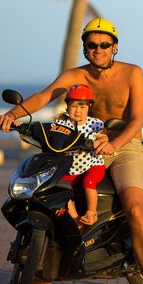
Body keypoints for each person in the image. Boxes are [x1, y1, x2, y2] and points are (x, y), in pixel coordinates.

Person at [0, 18, 143, 284]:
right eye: (92, 45)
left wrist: (114, 143)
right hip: (81, 146)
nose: (98, 49)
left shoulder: (132, 72)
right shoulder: (75, 75)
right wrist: (13, 114)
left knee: (134, 207)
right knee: (50, 198)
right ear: (85, 48)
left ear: (114, 47)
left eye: (104, 45)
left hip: (124, 146)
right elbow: (44, 95)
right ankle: (41, 276)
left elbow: (137, 118)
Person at [55, 84, 104, 227]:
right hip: (72, 168)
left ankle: (92, 212)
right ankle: (75, 219)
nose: (78, 111)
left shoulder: (94, 124)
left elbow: (104, 137)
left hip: (93, 164)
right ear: (67, 106)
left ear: (89, 107)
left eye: (82, 107)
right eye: (74, 106)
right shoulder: (61, 124)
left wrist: (99, 142)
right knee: (61, 188)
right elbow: (51, 135)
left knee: (89, 182)